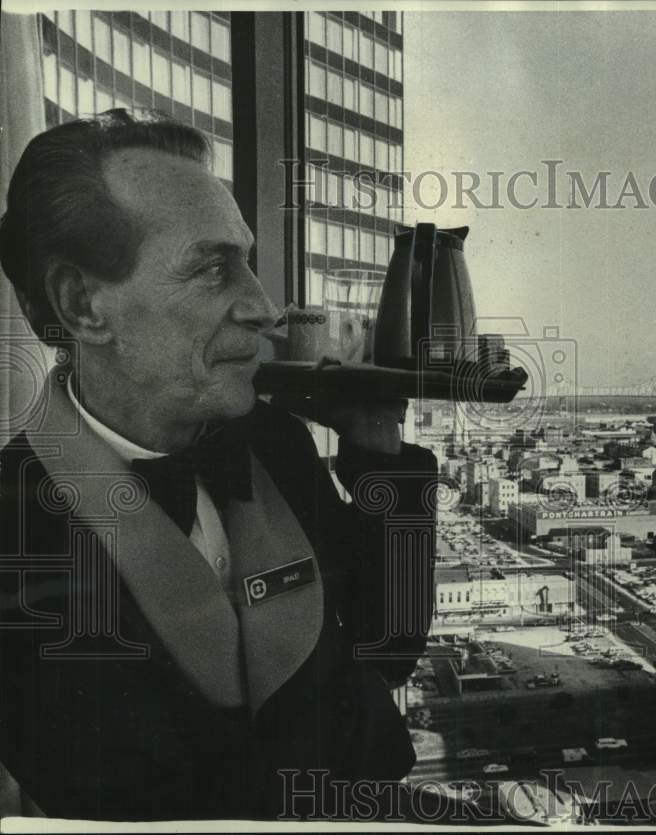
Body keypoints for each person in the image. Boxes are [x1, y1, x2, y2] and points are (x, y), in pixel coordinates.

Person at [0, 110, 438, 821]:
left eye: (247, 259)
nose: (264, 306)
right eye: (212, 268)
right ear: (84, 306)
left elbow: (390, 645)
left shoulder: (270, 442)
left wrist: (376, 442)